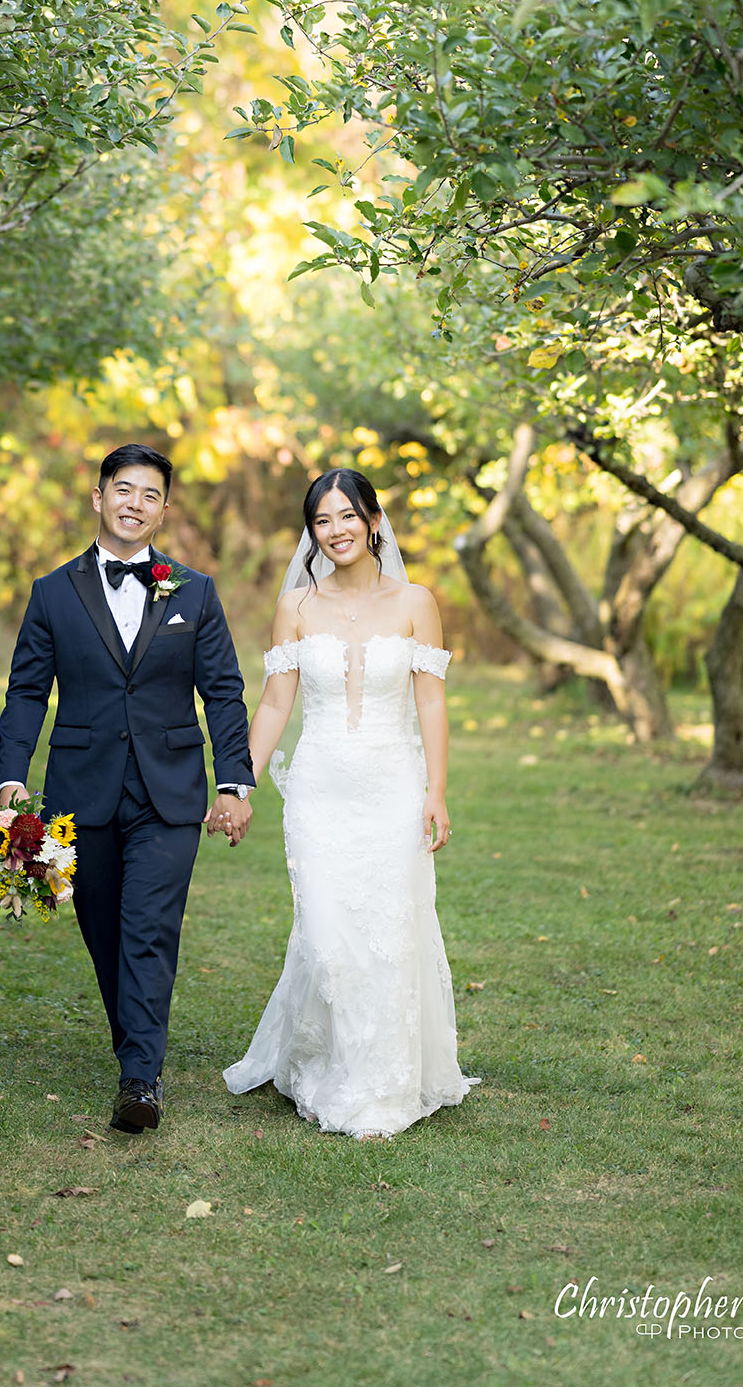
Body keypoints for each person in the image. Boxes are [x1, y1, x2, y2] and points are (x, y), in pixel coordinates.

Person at [0, 444, 254, 1133]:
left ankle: (140, 1079)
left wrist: (233, 783)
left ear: (165, 509)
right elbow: (26, 691)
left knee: (149, 930)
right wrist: (12, 779)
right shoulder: (53, 591)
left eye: (150, 495)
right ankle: (133, 1042)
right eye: (124, 490)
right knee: (104, 930)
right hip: (82, 790)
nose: (135, 504)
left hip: (170, 793)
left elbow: (223, 693)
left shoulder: (193, 591)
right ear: (99, 496)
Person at [223, 468, 478, 1138]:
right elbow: (277, 700)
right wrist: (239, 781)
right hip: (319, 789)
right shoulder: (298, 608)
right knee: (330, 939)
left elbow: (430, 698)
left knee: (390, 934)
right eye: (321, 521)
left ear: (373, 521)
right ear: (311, 533)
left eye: (346, 517)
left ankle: (380, 1089)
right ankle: (327, 1066)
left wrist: (437, 790)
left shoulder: (416, 601)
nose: (335, 531)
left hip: (395, 787)